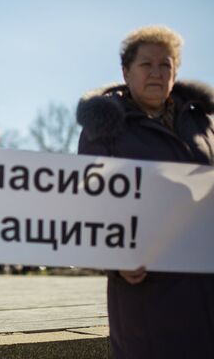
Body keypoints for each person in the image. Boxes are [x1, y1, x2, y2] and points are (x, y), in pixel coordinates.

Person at [76, 25, 214, 358]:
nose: (156, 72)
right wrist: (114, 258)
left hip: (206, 284)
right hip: (146, 290)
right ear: (126, 72)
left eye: (165, 64)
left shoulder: (203, 121)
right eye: (146, 64)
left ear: (176, 71)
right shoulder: (104, 128)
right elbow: (89, 204)